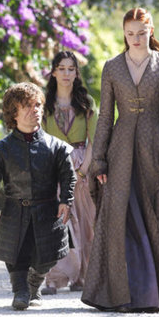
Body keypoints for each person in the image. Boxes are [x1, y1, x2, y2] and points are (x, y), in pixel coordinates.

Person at [82, 7, 159, 312]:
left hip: (155, 147)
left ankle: (158, 293)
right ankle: (121, 294)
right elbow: (105, 117)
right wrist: (98, 161)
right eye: (130, 34)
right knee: (119, 216)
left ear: (151, 30)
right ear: (124, 34)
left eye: (141, 32)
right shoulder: (112, 67)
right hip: (120, 149)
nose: (136, 39)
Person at [0, 82, 76, 311]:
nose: (35, 110)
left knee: (49, 256)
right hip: (14, 211)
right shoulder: (0, 150)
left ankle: (34, 284)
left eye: (38, 105)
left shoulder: (57, 147)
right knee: (15, 255)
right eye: (28, 106)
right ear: (14, 113)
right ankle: (20, 291)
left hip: (48, 210)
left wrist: (66, 200)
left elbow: (68, 176)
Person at [40, 51, 98, 295]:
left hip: (82, 166)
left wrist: (83, 171)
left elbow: (94, 140)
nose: (66, 73)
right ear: (53, 72)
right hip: (54, 166)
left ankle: (82, 277)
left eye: (71, 69)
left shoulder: (87, 102)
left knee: (85, 223)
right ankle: (55, 278)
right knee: (58, 222)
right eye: (61, 68)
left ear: (76, 73)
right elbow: (40, 140)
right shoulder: (44, 103)